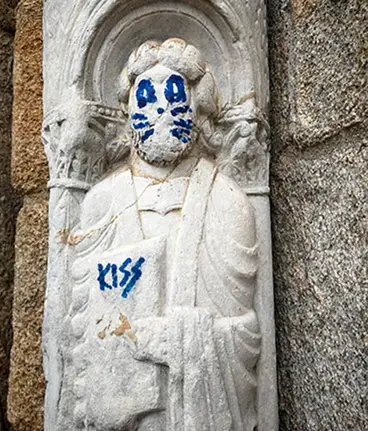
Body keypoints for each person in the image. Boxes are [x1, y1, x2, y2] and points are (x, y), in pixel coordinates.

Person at [65, 38, 261, 431]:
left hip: (192, 412)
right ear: (128, 112)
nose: (160, 113)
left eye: (173, 100)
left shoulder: (227, 200)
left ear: (197, 108)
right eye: (147, 102)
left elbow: (247, 332)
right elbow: (81, 327)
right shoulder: (102, 201)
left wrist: (180, 339)